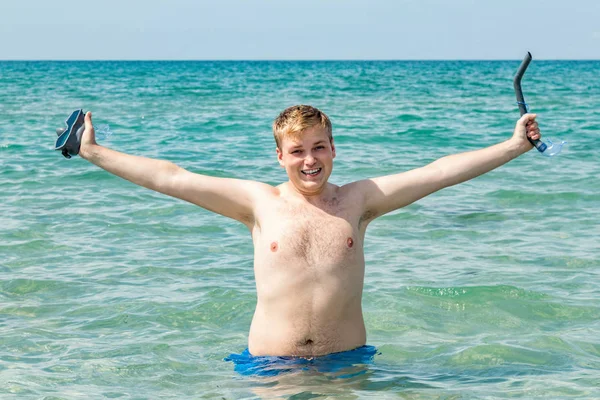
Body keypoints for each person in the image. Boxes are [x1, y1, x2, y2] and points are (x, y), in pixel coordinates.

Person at [79, 105, 541, 360]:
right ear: (279, 156)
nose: (309, 160)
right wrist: (93, 151)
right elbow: (171, 177)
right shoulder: (258, 203)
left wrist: (514, 146)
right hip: (269, 368)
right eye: (297, 150)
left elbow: (439, 171)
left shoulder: (360, 200)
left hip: (346, 364)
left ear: (334, 149)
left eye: (319, 147)